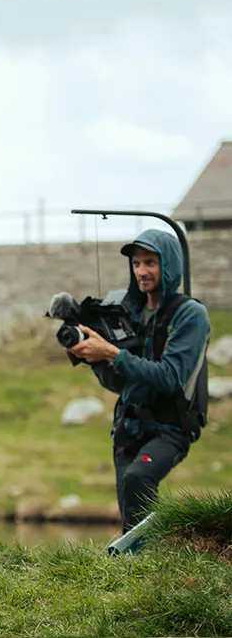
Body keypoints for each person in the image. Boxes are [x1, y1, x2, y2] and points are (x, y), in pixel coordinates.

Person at [67, 228, 210, 533]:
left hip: (172, 427)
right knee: (131, 514)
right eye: (136, 264)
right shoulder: (131, 311)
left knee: (138, 478)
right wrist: (93, 356)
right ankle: (138, 571)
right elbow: (120, 383)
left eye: (150, 263)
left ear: (168, 264)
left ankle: (152, 560)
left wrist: (112, 352)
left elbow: (170, 377)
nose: (141, 271)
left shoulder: (191, 315)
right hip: (128, 427)